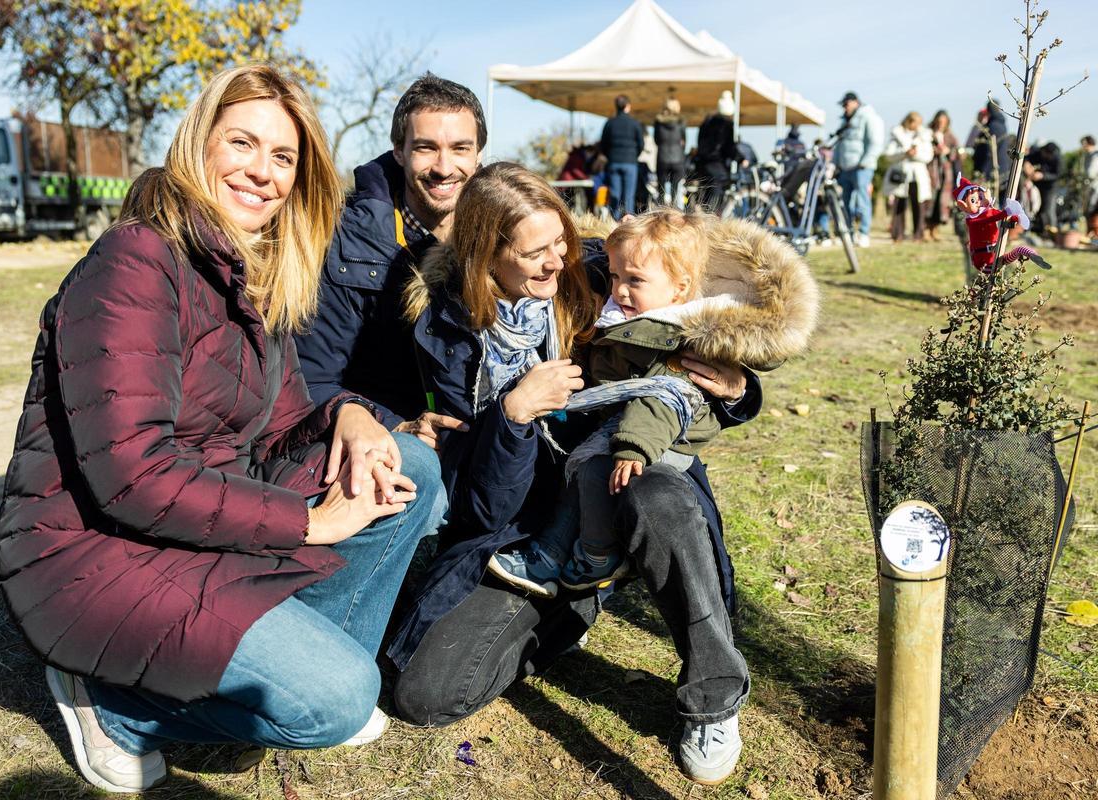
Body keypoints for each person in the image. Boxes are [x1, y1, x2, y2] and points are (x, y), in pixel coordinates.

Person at [0, 64, 446, 793]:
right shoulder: (137, 261)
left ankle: (273, 659)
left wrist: (352, 414)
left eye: (283, 157)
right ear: (199, 143)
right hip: (99, 550)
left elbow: (282, 421)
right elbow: (133, 476)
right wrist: (309, 523)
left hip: (192, 525)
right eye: (243, 143)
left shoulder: (248, 271)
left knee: (408, 466)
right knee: (337, 700)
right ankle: (114, 704)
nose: (263, 172)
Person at [388, 163, 818, 785]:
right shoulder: (450, 334)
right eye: (534, 253)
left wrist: (736, 389)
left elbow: (700, 318)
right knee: (425, 696)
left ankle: (714, 695)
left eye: (561, 243)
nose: (556, 263)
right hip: (520, 530)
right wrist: (511, 417)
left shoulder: (592, 276)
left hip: (627, 471)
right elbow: (479, 503)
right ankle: (573, 606)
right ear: (486, 255)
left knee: (658, 497)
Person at [487, 209, 742, 596]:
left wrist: (633, 447)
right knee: (580, 473)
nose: (619, 290)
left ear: (679, 288)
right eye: (616, 276)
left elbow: (661, 397)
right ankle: (551, 553)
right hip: (627, 426)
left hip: (660, 436)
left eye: (634, 280)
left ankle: (597, 554)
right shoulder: (632, 315)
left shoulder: (675, 332)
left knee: (592, 473)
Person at [294, 74, 484, 456]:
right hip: (390, 443)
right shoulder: (343, 242)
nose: (444, 167)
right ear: (399, 150)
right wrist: (397, 425)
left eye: (460, 148)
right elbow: (311, 378)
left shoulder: (501, 237)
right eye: (426, 148)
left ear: (478, 155)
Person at [831, 91, 885, 247]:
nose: (844, 107)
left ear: (856, 102)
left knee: (862, 200)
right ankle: (848, 233)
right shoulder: (844, 121)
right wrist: (836, 164)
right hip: (845, 168)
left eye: (846, 104)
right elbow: (839, 145)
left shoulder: (868, 117)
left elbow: (875, 142)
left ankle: (864, 233)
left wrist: (866, 161)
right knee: (845, 202)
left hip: (862, 167)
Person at [882, 112, 934, 242]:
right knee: (899, 205)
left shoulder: (924, 136)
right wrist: (904, 153)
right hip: (901, 174)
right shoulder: (897, 135)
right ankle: (898, 233)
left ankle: (918, 234)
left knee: (919, 206)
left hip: (917, 176)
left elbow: (928, 156)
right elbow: (889, 154)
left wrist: (915, 154)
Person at [693, 91, 739, 213]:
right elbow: (730, 148)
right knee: (715, 201)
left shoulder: (707, 121)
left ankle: (702, 216)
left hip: (702, 165)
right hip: (717, 166)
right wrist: (740, 158)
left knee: (705, 197)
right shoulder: (728, 124)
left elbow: (700, 142)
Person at [599, 94, 643, 218]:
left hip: (614, 162)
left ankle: (614, 222)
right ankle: (628, 222)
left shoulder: (609, 123)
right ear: (628, 106)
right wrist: (634, 156)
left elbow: (603, 144)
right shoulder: (634, 123)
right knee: (629, 196)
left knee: (615, 195)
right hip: (630, 162)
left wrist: (610, 156)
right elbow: (641, 144)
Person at [925, 110, 962, 241]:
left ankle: (935, 230)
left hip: (946, 173)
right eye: (939, 121)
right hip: (932, 171)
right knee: (930, 200)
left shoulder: (950, 136)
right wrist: (933, 150)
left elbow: (957, 152)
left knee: (942, 202)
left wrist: (948, 151)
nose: (941, 124)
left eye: (943, 121)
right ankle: (926, 229)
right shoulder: (928, 133)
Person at [655, 98, 687, 208]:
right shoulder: (681, 122)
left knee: (661, 190)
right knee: (675, 191)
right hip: (677, 159)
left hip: (662, 158)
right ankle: (673, 211)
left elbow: (656, 140)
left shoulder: (658, 122)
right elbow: (684, 141)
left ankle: (661, 211)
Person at [1026, 141, 1063, 234]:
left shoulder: (1057, 159)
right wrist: (1027, 164)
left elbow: (1057, 175)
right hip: (1037, 185)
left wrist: (1043, 176)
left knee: (1048, 209)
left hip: (1050, 187)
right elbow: (1027, 158)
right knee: (1038, 208)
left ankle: (1052, 232)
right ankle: (1040, 230)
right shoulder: (1038, 153)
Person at [1082, 135, 1098, 238]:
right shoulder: (1088, 155)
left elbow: (1090, 173)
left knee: (1093, 210)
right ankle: (1090, 233)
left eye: (1084, 144)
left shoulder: (1095, 155)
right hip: (1090, 186)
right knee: (1088, 211)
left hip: (1095, 187)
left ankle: (1095, 234)